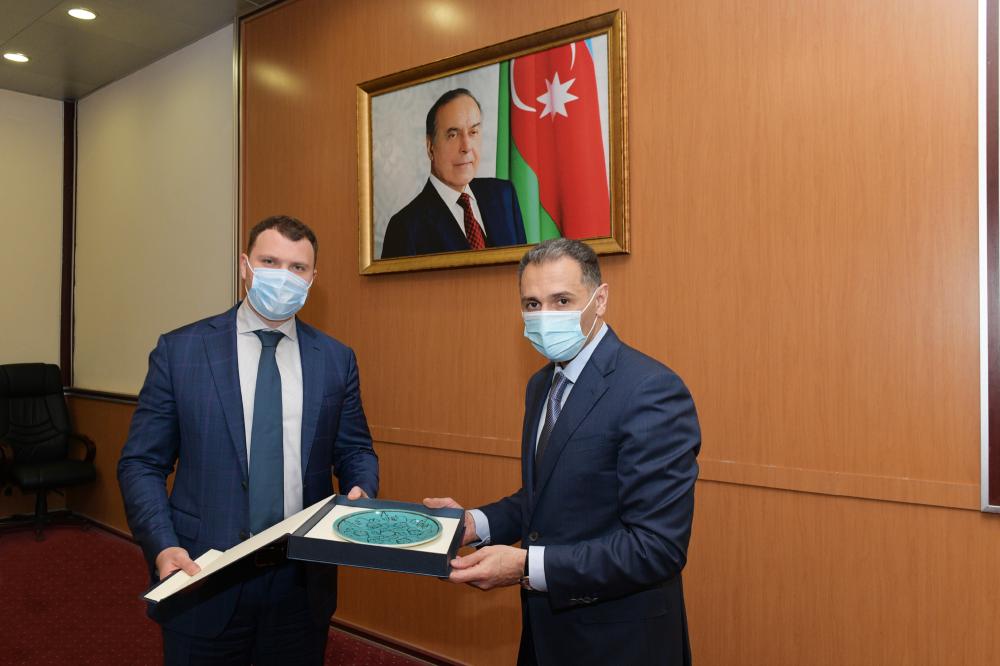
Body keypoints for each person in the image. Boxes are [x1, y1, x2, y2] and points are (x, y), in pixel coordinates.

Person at [118, 215, 379, 665]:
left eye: (297, 267)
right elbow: (141, 463)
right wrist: (162, 544)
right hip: (201, 576)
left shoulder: (336, 359)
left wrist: (363, 489)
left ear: (313, 278)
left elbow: (355, 449)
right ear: (245, 266)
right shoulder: (181, 351)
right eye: (270, 262)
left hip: (300, 584)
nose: (283, 276)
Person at [425, 238, 701, 665]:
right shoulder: (541, 385)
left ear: (600, 299)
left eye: (562, 300)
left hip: (620, 642)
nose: (545, 316)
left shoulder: (651, 390)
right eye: (532, 304)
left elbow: (656, 547)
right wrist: (474, 524)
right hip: (546, 635)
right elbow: (547, 499)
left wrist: (526, 567)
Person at [380, 88, 527, 258]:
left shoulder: (504, 195)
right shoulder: (405, 228)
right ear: (430, 147)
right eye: (453, 135)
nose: (466, 147)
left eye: (473, 132)